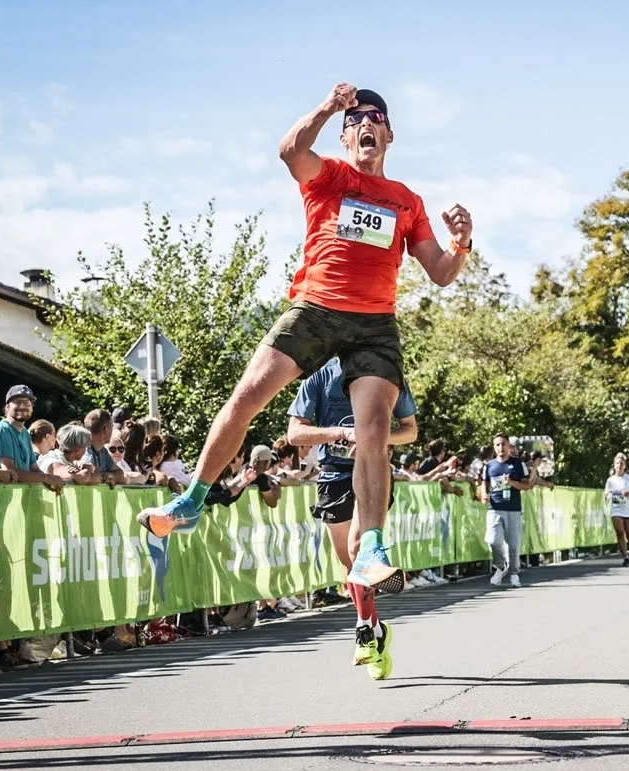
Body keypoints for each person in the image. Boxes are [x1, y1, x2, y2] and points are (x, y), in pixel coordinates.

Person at [137, 83, 473, 595]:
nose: (367, 125)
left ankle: (374, 547)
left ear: (389, 134)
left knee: (375, 429)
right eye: (356, 120)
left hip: (374, 324)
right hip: (315, 307)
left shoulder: (407, 201)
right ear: (345, 136)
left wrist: (462, 242)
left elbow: (441, 273)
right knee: (248, 395)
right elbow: (290, 150)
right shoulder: (329, 175)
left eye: (376, 118)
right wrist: (326, 106)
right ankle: (190, 502)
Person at [287, 356, 417, 679]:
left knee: (360, 550)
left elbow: (410, 431)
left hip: (372, 472)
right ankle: (377, 629)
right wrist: (341, 434)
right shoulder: (319, 375)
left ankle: (362, 632)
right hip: (332, 475)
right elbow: (294, 434)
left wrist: (374, 439)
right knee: (351, 569)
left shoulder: (385, 369)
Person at [0, 386, 63, 493]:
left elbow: (34, 468)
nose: (22, 406)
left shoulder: (24, 432)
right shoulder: (3, 429)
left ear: (32, 408)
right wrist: (46, 478)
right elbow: (9, 471)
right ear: (7, 407)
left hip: (16, 499)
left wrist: (50, 480)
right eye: (18, 402)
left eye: (27, 403)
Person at [484, 433, 532, 587]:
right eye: (497, 445)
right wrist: (484, 494)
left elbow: (527, 485)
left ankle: (513, 574)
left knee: (513, 544)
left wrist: (511, 482)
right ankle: (500, 566)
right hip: (494, 508)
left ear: (509, 446)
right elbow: (484, 483)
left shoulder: (518, 464)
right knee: (492, 540)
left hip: (513, 509)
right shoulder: (489, 466)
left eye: (503, 444)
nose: (500, 448)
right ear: (494, 447)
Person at [605, 452, 629, 565]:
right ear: (614, 465)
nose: (619, 465)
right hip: (616, 508)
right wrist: (610, 495)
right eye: (617, 463)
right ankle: (626, 557)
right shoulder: (610, 480)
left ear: (625, 466)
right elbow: (606, 494)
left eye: (621, 463)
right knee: (620, 533)